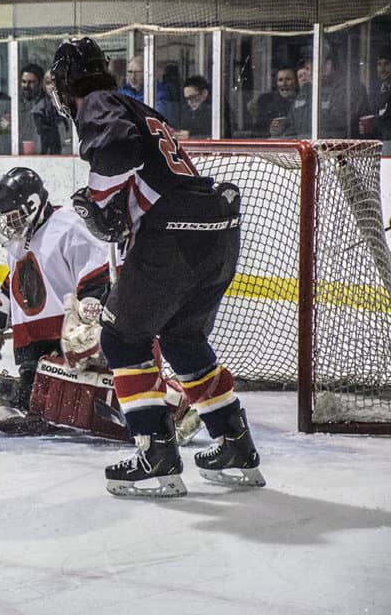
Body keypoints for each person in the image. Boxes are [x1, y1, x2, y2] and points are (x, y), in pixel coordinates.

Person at [50, 36, 264, 497]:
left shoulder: (98, 102)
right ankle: (234, 443)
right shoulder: (138, 106)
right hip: (216, 229)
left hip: (175, 232)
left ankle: (157, 454)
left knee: (123, 338)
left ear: (67, 83)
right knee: (183, 340)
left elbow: (118, 149)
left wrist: (100, 199)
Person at [0, 167, 112, 435]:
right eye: (3, 217)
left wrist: (86, 323)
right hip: (33, 345)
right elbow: (14, 286)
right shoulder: (18, 240)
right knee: (38, 404)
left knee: (81, 402)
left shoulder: (69, 226)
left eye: (12, 216)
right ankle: (12, 388)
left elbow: (97, 279)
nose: (8, 223)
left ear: (32, 205)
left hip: (70, 341)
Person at [247, 66, 297, 137]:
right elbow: (255, 133)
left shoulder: (303, 102)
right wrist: (269, 130)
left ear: (296, 82)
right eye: (280, 80)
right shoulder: (266, 102)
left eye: (288, 79)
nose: (284, 84)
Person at [361, 46, 391, 141]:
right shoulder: (375, 90)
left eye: (386, 64)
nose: (382, 69)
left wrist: (373, 125)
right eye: (379, 64)